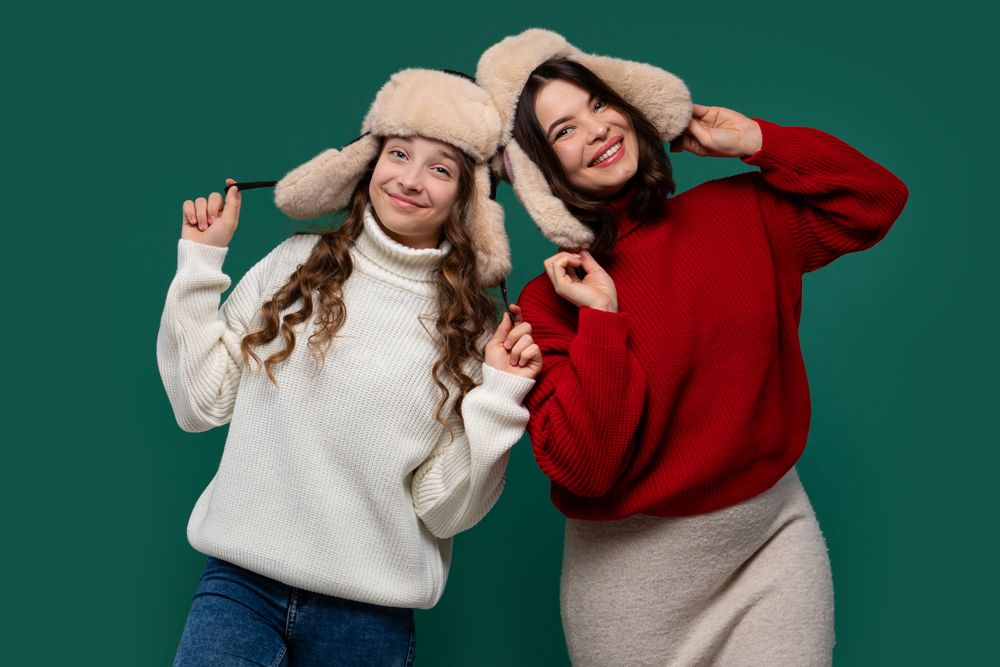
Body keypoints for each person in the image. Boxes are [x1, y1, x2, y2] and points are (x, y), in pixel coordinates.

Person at [476, 29, 908, 666]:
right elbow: (585, 469)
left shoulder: (744, 213)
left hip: (770, 540)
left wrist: (759, 141)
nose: (594, 130)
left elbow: (874, 202)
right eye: (563, 130)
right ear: (542, 170)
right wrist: (601, 319)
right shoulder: (548, 302)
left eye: (598, 105)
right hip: (632, 585)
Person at [157, 68, 541, 667]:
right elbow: (200, 404)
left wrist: (499, 398)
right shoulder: (292, 263)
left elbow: (444, 509)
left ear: (469, 198)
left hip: (369, 616)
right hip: (240, 583)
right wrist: (200, 265)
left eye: (441, 169)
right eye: (399, 153)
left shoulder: (473, 332)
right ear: (369, 161)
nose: (410, 180)